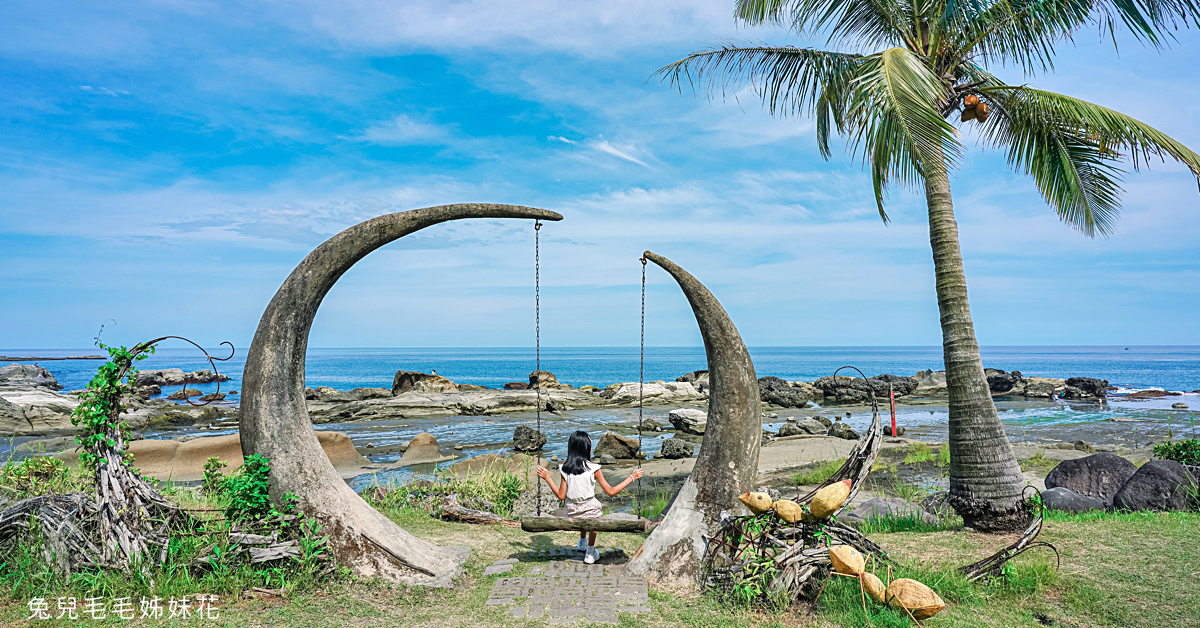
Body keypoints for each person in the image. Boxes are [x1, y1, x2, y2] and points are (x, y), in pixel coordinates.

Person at [535, 430, 643, 564]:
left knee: (580, 505)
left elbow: (561, 495)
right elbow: (611, 491)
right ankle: (590, 553)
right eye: (590, 445)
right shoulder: (594, 468)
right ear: (585, 448)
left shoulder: (565, 468)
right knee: (593, 510)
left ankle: (582, 541)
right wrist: (632, 477)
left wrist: (547, 477)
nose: (592, 448)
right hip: (589, 512)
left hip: (572, 512)